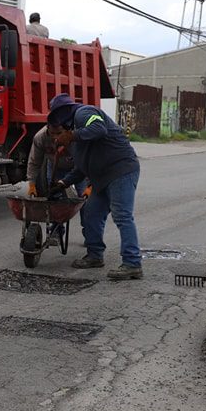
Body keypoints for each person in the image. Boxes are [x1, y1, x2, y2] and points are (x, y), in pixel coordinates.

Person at [46, 93, 142, 281]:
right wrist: (63, 183)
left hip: (120, 170)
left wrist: (72, 135)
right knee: (91, 213)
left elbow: (99, 129)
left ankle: (132, 263)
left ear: (63, 113)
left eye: (57, 118)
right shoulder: (74, 138)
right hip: (101, 177)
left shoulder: (84, 113)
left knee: (122, 215)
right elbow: (81, 167)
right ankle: (95, 255)